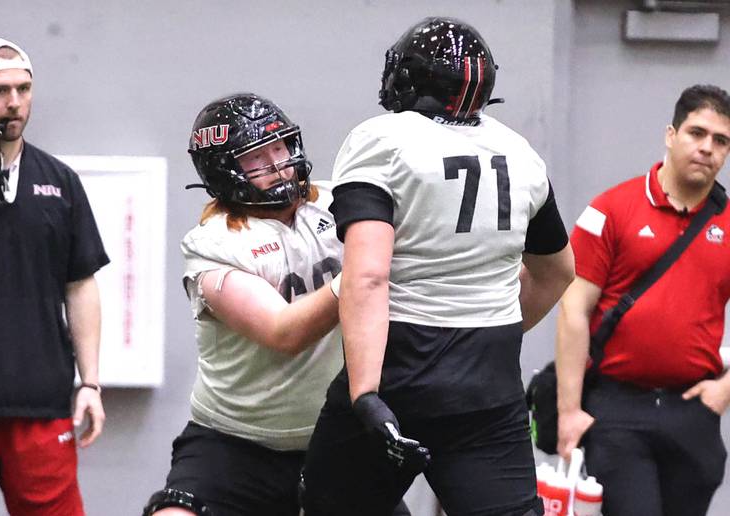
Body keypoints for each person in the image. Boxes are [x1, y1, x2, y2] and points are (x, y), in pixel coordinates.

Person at [300, 16, 574, 516]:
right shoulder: (518, 150)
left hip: (399, 365)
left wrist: (365, 393)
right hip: (489, 376)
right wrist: (488, 332)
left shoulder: (382, 138)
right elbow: (557, 271)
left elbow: (368, 275)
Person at [143, 93, 411, 516]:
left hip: (336, 436)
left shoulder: (337, 204)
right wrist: (363, 274)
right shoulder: (212, 243)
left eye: (280, 148)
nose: (278, 164)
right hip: (236, 442)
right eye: (257, 157)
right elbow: (284, 332)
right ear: (224, 168)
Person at [0, 38, 109, 515]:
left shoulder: (61, 183)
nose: (14, 102)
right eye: (0, 90)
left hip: (41, 405)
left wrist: (90, 384)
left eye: (23, 89)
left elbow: (80, 284)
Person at [556, 84, 730, 516]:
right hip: (617, 409)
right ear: (671, 135)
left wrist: (724, 390)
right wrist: (569, 411)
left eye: (720, 140)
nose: (707, 148)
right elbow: (573, 309)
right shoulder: (612, 209)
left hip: (693, 412)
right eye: (696, 133)